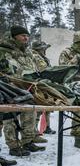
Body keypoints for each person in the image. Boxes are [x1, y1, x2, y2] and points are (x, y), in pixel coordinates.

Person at [0, 25, 46, 156]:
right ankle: (14, 146)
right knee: (11, 117)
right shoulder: (4, 50)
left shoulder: (28, 51)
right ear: (14, 36)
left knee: (30, 114)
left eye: (27, 36)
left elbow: (40, 65)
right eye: (23, 35)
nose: (26, 38)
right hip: (10, 88)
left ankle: (28, 141)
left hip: (28, 87)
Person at [31, 40, 55, 135]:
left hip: (44, 84)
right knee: (39, 108)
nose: (45, 50)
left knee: (47, 106)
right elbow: (44, 69)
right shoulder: (36, 56)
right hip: (38, 84)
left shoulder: (42, 57)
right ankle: (35, 130)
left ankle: (46, 127)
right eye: (44, 48)